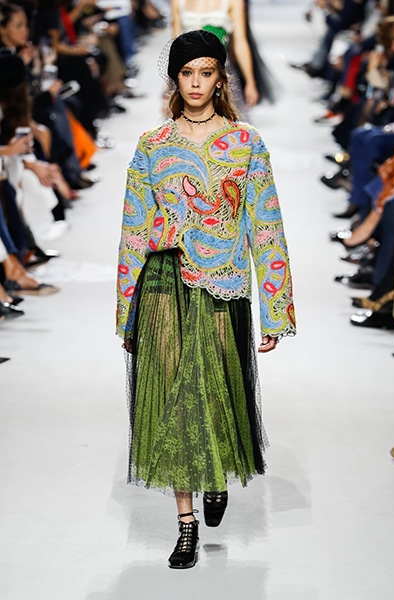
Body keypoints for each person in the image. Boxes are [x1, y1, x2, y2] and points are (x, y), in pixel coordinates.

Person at [116, 29, 296, 570]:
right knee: (175, 400)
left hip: (223, 282)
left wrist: (275, 308)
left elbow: (266, 224)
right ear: (175, 79)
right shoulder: (153, 144)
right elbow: (132, 229)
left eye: (206, 72)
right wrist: (127, 313)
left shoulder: (246, 143)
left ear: (220, 78)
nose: (195, 83)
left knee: (213, 392)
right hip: (164, 283)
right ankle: (186, 523)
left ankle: (215, 475)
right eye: (187, 73)